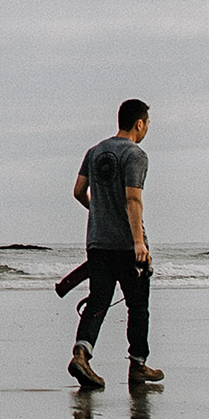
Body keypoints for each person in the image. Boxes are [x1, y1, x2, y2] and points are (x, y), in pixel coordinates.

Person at [65, 99, 158, 393]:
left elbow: (78, 191)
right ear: (139, 123)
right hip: (126, 246)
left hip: (97, 243)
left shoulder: (94, 152)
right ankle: (138, 364)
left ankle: (81, 354)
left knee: (98, 301)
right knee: (138, 306)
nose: (147, 129)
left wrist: (99, 212)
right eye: (147, 124)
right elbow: (133, 198)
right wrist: (139, 243)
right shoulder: (135, 154)